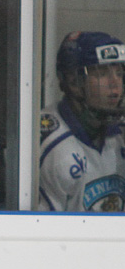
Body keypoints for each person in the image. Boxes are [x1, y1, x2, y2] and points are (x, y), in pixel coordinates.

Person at [38, 31, 125, 211]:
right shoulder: (54, 149)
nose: (114, 83)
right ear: (72, 82)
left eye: (118, 73)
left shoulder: (120, 135)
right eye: (102, 73)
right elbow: (43, 233)